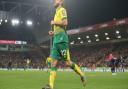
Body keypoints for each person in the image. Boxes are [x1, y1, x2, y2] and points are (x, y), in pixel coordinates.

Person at [42, 0, 86, 89]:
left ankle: (82, 74)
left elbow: (65, 23)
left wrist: (54, 22)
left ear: (61, 2)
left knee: (67, 63)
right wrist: (53, 33)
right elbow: (60, 28)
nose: (55, 1)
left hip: (62, 40)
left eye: (57, 0)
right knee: (53, 63)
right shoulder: (56, 12)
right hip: (56, 40)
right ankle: (51, 86)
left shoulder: (62, 10)